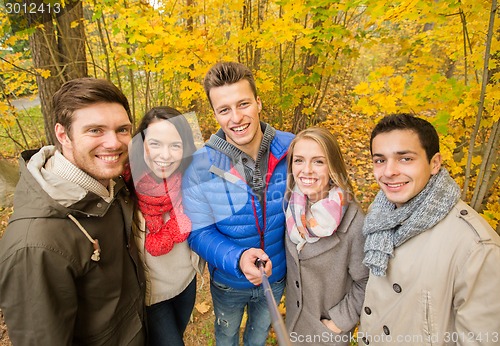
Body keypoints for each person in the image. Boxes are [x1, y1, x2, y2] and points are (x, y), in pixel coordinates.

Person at [0, 78, 146, 345]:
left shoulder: (110, 186)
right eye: (95, 130)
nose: (114, 143)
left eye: (122, 129)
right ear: (63, 134)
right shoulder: (34, 246)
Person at [358, 113, 500, 345]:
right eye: (380, 160)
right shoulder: (379, 215)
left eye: (405, 159)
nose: (389, 171)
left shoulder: (476, 247)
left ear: (434, 163)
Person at [182, 61, 294, 345]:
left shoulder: (294, 149)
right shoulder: (200, 166)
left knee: (257, 336)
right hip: (229, 282)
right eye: (224, 109)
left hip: (277, 275)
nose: (236, 117)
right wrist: (236, 258)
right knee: (227, 335)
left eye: (243, 104)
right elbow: (197, 232)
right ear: (216, 114)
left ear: (258, 102)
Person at [285, 127, 368, 345]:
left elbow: (367, 282)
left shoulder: (353, 221)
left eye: (318, 162)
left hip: (326, 334)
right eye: (299, 160)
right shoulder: (292, 207)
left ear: (332, 166)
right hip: (294, 325)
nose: (306, 170)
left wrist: (337, 322)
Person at [128, 106, 204, 345]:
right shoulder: (125, 186)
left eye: (175, 145)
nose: (165, 154)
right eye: (156, 143)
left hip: (185, 284)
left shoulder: (190, 180)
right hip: (151, 294)